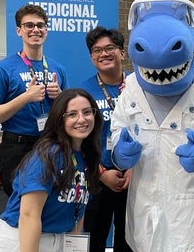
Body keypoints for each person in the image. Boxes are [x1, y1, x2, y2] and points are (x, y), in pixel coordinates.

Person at [111, 0, 194, 251]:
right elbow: (118, 126)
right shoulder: (130, 86)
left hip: (186, 205)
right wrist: (120, 150)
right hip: (143, 200)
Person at [0, 88, 102, 252]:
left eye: (87, 112)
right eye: (72, 114)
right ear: (59, 120)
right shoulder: (47, 156)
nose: (81, 119)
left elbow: (78, 210)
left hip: (58, 239)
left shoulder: (86, 156)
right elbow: (29, 216)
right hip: (22, 240)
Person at [0, 4, 68, 196]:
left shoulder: (58, 69)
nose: (35, 29)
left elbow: (68, 115)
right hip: (17, 148)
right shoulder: (3, 69)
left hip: (50, 146)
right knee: (18, 210)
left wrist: (60, 97)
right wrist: (25, 97)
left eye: (40, 25)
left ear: (46, 30)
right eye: (29, 25)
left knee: (49, 207)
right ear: (19, 30)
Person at [79, 26, 132, 252]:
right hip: (97, 177)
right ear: (92, 57)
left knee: (129, 240)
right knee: (95, 239)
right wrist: (101, 173)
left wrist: (134, 169)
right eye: (97, 50)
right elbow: (77, 141)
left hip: (133, 177)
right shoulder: (84, 92)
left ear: (122, 52)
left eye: (110, 48)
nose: (104, 54)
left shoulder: (139, 86)